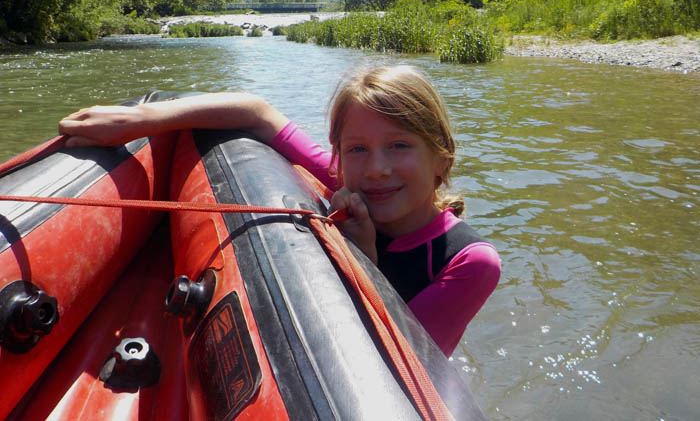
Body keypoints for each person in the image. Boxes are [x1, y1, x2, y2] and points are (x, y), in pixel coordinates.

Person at [59, 66, 500, 356]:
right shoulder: (349, 182)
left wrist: (362, 257)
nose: (378, 169)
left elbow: (400, 363)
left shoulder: (469, 262)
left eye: (400, 146)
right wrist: (140, 120)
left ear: (442, 157)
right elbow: (258, 113)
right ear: (339, 157)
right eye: (357, 149)